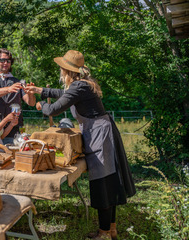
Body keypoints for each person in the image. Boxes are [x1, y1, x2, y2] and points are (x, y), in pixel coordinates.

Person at [26, 50, 136, 240]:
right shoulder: (83, 85)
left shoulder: (78, 87)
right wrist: (40, 90)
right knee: (108, 182)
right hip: (102, 132)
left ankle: (103, 233)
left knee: (103, 182)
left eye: (61, 69)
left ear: (66, 71)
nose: (60, 72)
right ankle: (111, 229)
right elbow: (64, 93)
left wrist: (40, 105)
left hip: (100, 136)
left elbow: (54, 108)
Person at [0, 48, 36, 144]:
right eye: (2, 60)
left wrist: (31, 94)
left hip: (15, 130)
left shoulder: (17, 81)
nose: (5, 63)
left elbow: (31, 103)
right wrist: (8, 89)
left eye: (8, 61)